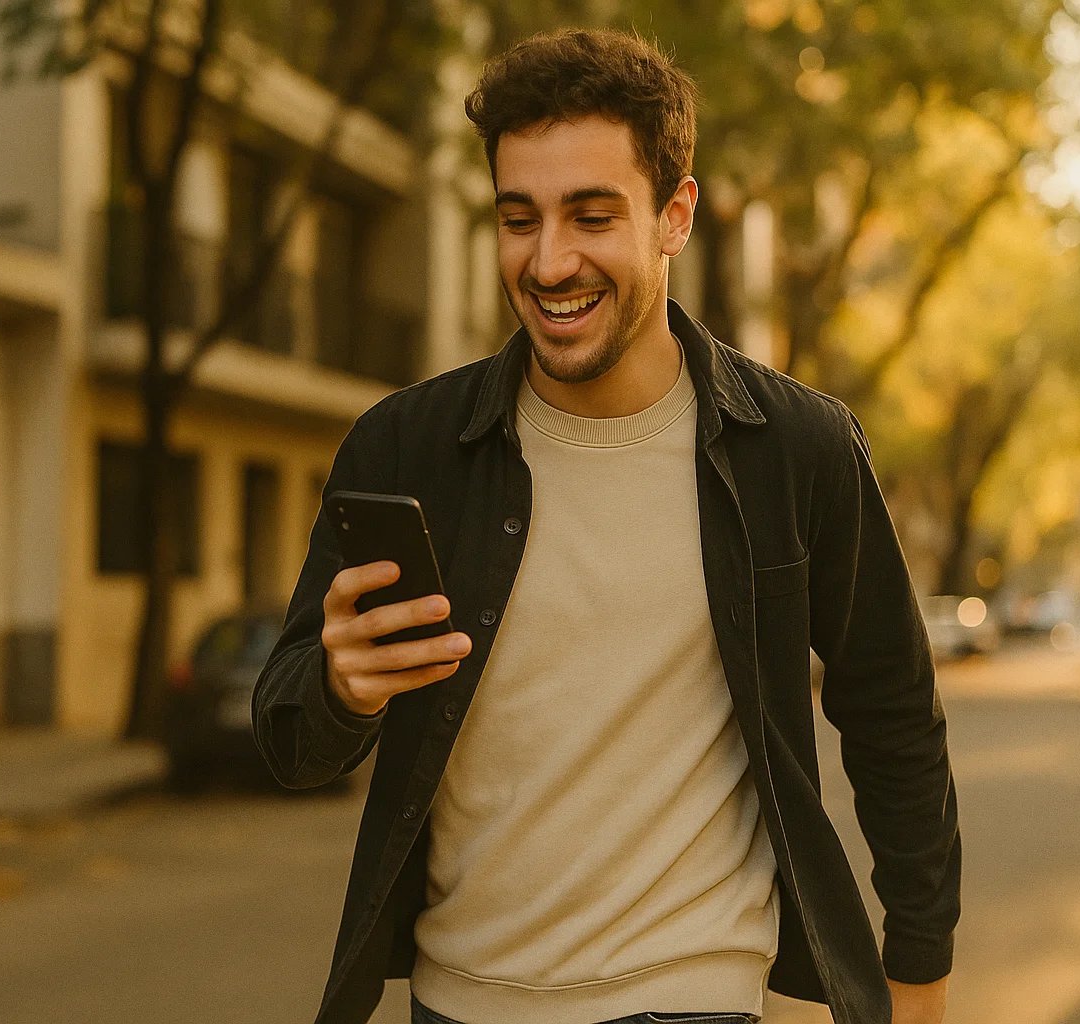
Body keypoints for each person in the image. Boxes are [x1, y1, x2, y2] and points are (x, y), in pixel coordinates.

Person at [253, 28, 959, 1024]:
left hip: (688, 991)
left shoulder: (796, 449)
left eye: (591, 216)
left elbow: (893, 718)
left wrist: (919, 977)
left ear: (675, 216)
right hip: (455, 1000)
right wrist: (340, 686)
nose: (549, 262)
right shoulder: (403, 447)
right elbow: (290, 738)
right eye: (518, 218)